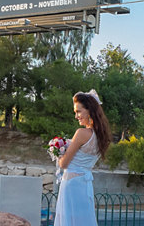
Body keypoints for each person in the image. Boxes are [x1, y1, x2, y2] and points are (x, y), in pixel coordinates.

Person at [54, 89, 112, 226]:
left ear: (89, 110)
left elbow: (63, 164)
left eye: (78, 111)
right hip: (85, 185)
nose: (76, 116)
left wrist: (57, 152)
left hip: (71, 185)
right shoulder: (101, 137)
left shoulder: (81, 133)